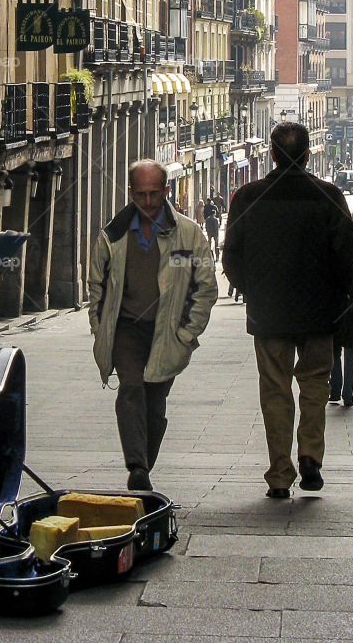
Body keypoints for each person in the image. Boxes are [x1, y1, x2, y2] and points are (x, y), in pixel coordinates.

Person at [222, 123, 353, 499]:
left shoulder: (248, 197)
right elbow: (347, 253)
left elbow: (231, 255)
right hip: (319, 313)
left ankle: (281, 472)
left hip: (269, 315)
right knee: (315, 385)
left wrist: (254, 290)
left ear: (272, 155)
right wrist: (335, 293)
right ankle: (311, 455)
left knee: (275, 391)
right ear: (309, 154)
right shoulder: (329, 196)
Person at [89, 159, 217, 491]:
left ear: (166, 191)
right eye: (141, 195)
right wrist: (100, 326)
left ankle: (144, 463)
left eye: (154, 194)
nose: (148, 202)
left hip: (168, 332)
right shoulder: (114, 234)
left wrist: (187, 333)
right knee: (131, 388)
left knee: (155, 402)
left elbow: (206, 287)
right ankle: (137, 467)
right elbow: (97, 285)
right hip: (126, 329)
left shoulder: (188, 234)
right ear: (131, 193)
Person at [329, 260, 353, 408]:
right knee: (350, 357)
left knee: (334, 355)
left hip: (335, 318)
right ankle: (348, 395)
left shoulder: (331, 267)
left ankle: (334, 391)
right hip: (352, 320)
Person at [203, 194, 221, 261]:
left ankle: (209, 256)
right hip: (215, 233)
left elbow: (206, 226)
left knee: (209, 244)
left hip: (209, 232)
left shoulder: (207, 218)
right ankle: (217, 256)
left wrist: (207, 231)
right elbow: (216, 227)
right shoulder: (215, 219)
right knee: (216, 245)